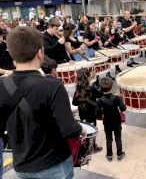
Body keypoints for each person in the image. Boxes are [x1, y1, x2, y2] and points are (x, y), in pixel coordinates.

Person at [0, 26, 85, 179]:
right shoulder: (52, 85)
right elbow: (68, 128)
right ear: (40, 53)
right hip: (53, 164)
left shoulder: (1, 85)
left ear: (11, 53)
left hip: (21, 166)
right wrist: (81, 130)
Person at [72, 68, 103, 153]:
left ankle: (85, 144)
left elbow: (74, 103)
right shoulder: (92, 89)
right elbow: (100, 94)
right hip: (92, 114)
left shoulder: (77, 90)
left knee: (85, 128)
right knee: (92, 129)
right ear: (88, 78)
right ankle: (92, 147)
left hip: (82, 114)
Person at [96, 77, 126, 161]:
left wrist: (102, 113)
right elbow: (123, 108)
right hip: (116, 121)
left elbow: (97, 112)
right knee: (118, 138)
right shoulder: (116, 98)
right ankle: (119, 154)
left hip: (107, 122)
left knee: (108, 138)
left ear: (101, 88)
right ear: (112, 87)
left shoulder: (100, 100)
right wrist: (121, 100)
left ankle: (109, 155)